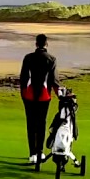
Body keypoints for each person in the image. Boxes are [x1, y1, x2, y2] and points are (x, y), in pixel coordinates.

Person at [19, 33, 60, 164]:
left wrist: (23, 95)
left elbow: (23, 78)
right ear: (46, 44)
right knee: (41, 123)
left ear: (36, 44)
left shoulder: (28, 58)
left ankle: (32, 154)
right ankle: (40, 152)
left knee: (31, 124)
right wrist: (60, 95)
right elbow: (54, 81)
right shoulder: (52, 59)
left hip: (29, 95)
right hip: (44, 96)